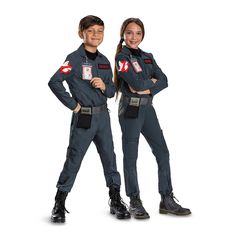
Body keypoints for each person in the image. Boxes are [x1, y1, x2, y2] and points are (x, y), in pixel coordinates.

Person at [48, 15, 130, 223]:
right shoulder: (73, 59)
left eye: (100, 31)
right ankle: (59, 202)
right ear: (81, 33)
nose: (96, 35)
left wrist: (104, 87)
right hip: (83, 117)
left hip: (103, 117)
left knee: (110, 159)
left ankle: (115, 199)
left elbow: (112, 91)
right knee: (74, 159)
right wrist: (73, 106)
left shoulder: (103, 61)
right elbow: (55, 81)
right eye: (91, 31)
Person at [114, 18, 191, 219]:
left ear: (143, 35)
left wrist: (145, 86)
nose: (133, 37)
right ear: (123, 34)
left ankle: (166, 199)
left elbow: (164, 80)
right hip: (130, 110)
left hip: (148, 110)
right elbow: (135, 85)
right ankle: (134, 200)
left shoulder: (148, 57)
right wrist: (148, 85)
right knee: (131, 157)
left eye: (138, 33)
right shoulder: (122, 58)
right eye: (129, 33)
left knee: (162, 152)